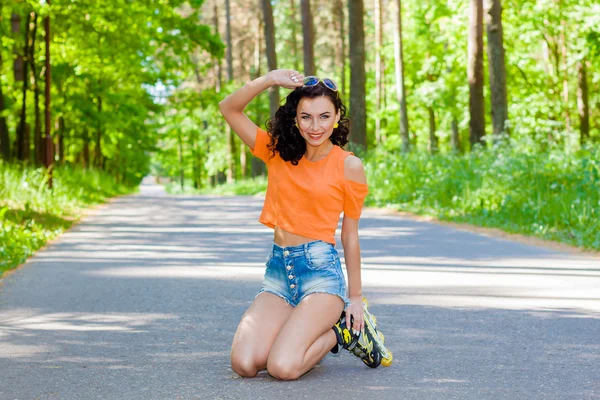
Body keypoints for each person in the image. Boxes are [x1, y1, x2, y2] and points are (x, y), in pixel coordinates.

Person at [219, 69, 392, 381]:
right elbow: (229, 108)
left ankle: (342, 332)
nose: (316, 127)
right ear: (294, 119)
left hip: (321, 277)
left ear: (338, 117)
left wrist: (355, 298)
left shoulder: (349, 166)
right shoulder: (275, 152)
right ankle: (304, 333)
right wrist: (270, 79)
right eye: (306, 117)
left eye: (325, 116)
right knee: (244, 364)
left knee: (282, 367)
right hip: (278, 273)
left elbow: (350, 236)